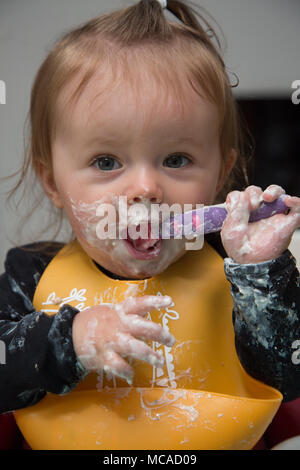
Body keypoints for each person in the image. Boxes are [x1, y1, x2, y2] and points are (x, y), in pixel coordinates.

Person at [1, 0, 300, 450]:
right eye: (106, 161)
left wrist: (261, 274)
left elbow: (287, 377)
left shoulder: (234, 271)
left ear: (220, 175)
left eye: (176, 160)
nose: (145, 187)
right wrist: (70, 339)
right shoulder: (31, 276)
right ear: (54, 183)